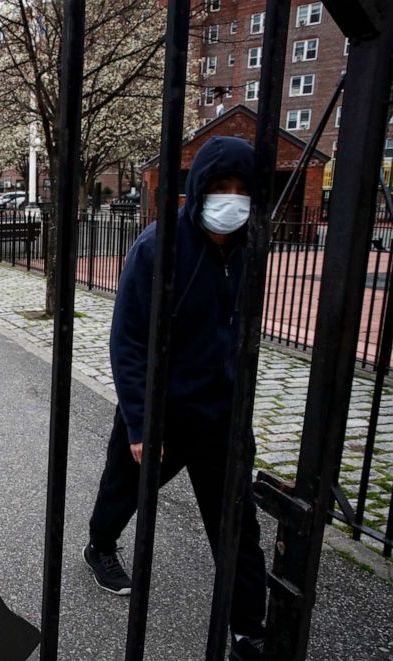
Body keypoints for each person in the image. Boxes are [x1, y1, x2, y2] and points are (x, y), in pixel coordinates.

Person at [82, 136, 268, 660]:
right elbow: (129, 340)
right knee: (123, 490)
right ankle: (99, 544)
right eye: (219, 188)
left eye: (240, 189)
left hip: (221, 416)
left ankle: (247, 627)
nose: (230, 200)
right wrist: (141, 423)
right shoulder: (156, 247)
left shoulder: (251, 247)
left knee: (237, 526)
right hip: (161, 410)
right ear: (198, 190)